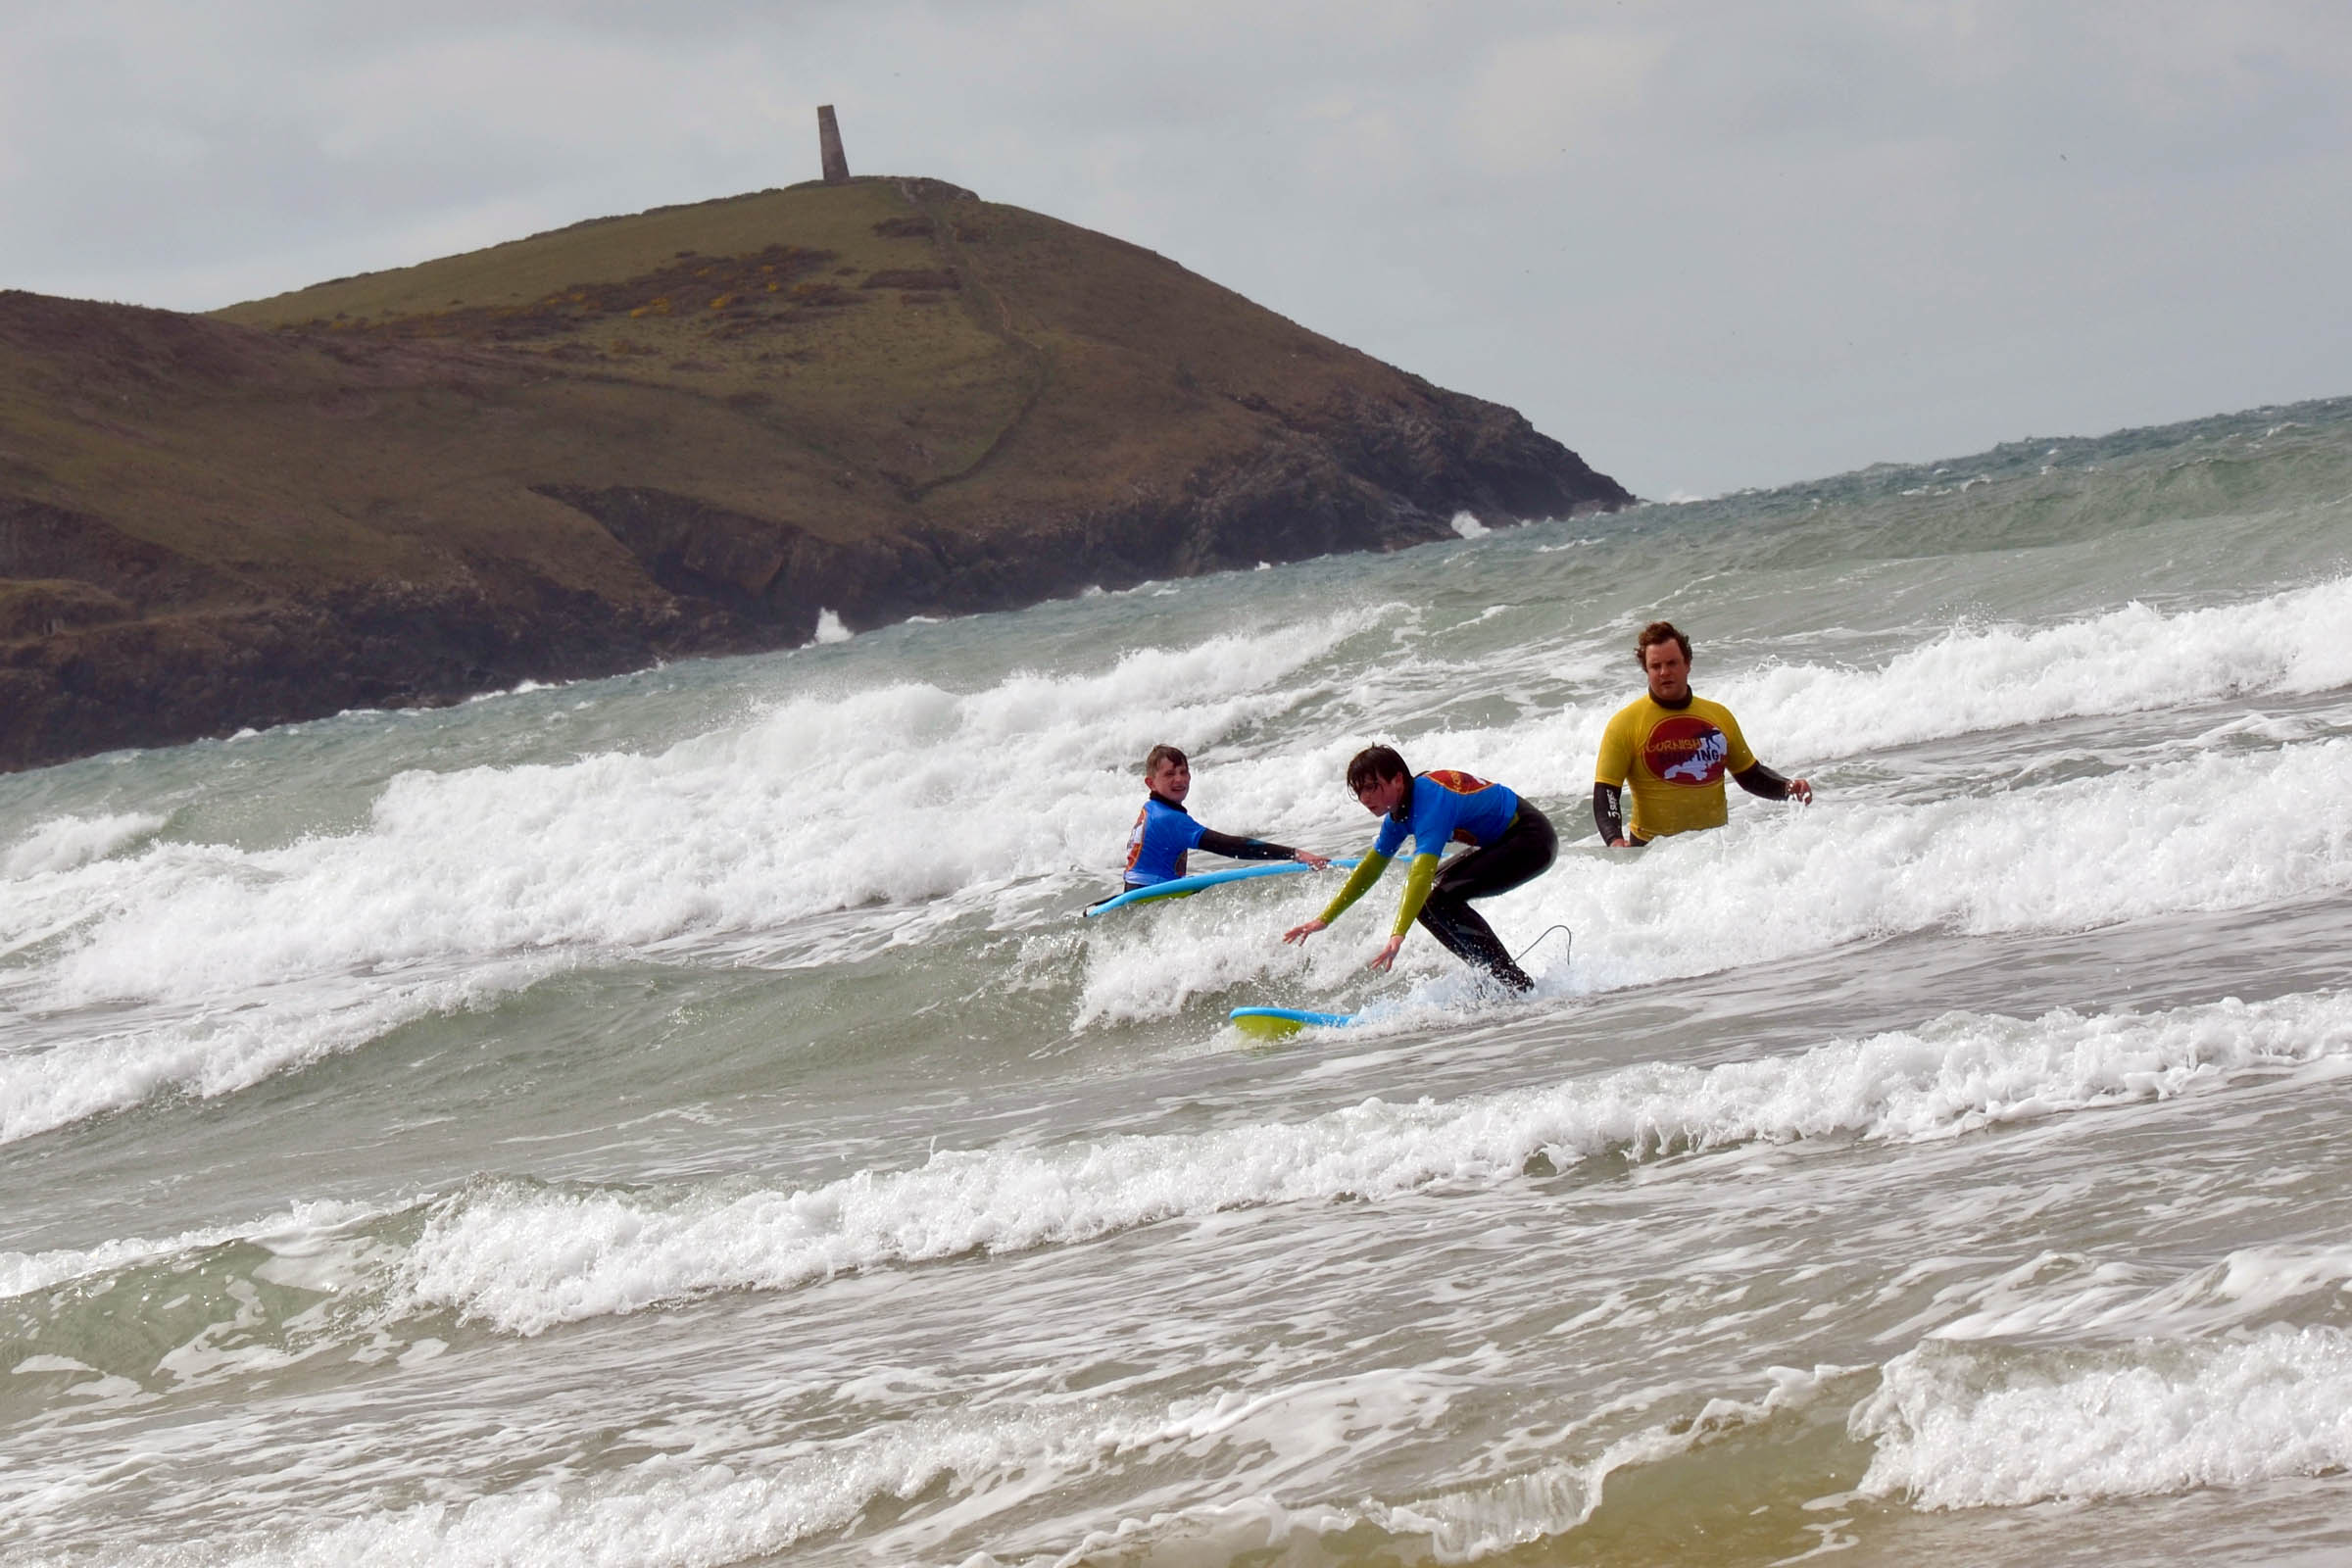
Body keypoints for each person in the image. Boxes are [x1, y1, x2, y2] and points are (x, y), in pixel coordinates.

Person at [1282, 745, 1556, 992]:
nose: (1365, 798)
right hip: (1501, 842)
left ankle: (1515, 983)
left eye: (1371, 787)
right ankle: (1494, 977)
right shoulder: (1399, 814)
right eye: (1359, 791)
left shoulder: (1431, 803)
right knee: (1427, 905)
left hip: (1531, 839)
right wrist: (1325, 919)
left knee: (1440, 900)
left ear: (1398, 780)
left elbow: (1420, 875)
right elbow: (1370, 869)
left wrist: (1397, 935)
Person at [1592, 620, 1812, 847]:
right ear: (1646, 670)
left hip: (1714, 851)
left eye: (1672, 663)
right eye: (1656, 666)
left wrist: (1787, 788)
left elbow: (1750, 775)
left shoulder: (1719, 716)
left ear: (1687, 664)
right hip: (1652, 853)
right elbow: (1606, 791)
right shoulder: (1624, 724)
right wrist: (1614, 839)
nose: (1664, 672)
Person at [1121, 744, 1329, 890]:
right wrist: (1295, 854)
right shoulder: (1168, 819)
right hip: (1150, 896)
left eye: (1183, 772)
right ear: (1150, 783)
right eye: (1170, 774)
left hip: (1137, 892)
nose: (1180, 779)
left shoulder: (1151, 809)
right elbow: (1231, 846)